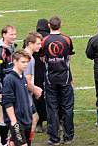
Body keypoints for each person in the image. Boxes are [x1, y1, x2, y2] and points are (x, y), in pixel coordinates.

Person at [41, 16, 75, 145]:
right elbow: (69, 57)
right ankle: (69, 136)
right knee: (67, 108)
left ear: (49, 25)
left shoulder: (44, 41)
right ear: (61, 25)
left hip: (50, 79)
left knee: (52, 109)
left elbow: (42, 58)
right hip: (65, 78)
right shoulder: (66, 39)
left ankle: (54, 138)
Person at [0, 25, 17, 146]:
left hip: (12, 87)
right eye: (11, 34)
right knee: (3, 114)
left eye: (14, 34)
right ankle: (3, 141)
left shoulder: (12, 48)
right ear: (4, 35)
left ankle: (8, 138)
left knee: (10, 114)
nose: (14, 37)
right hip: (5, 89)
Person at [2, 51, 34, 146]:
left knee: (14, 143)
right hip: (17, 121)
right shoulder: (9, 79)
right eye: (23, 62)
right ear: (15, 61)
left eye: (27, 62)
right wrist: (13, 121)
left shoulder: (22, 77)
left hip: (26, 119)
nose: (26, 64)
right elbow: (7, 102)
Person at [23, 32, 43, 141]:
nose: (40, 46)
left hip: (25, 95)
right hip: (25, 97)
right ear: (30, 43)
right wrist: (36, 90)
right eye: (38, 44)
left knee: (34, 119)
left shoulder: (24, 55)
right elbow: (27, 82)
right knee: (29, 121)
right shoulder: (29, 59)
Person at [33, 19, 50, 132]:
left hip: (35, 74)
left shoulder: (30, 40)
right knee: (50, 98)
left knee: (36, 98)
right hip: (49, 73)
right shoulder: (50, 39)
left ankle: (38, 123)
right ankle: (51, 122)